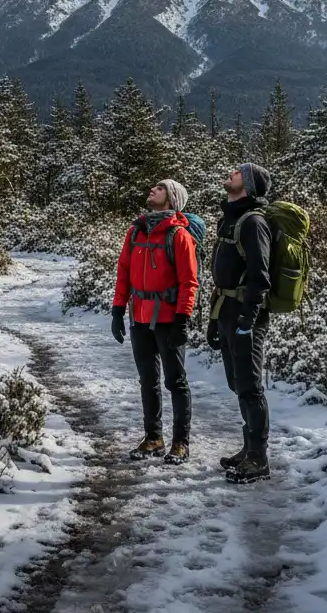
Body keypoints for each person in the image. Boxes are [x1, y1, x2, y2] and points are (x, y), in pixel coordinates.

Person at [110, 178, 198, 465]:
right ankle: (153, 439)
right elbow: (124, 271)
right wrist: (117, 310)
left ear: (171, 199)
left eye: (159, 189)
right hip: (138, 317)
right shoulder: (135, 231)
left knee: (175, 381)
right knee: (148, 381)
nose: (152, 190)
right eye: (153, 187)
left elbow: (189, 282)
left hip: (169, 319)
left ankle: (180, 443)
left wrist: (182, 319)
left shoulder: (179, 236)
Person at [207, 162, 273, 484]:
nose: (230, 172)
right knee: (237, 384)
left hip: (246, 316)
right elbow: (222, 275)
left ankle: (259, 459)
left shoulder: (253, 222)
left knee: (250, 386)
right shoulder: (230, 219)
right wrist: (214, 319)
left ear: (247, 185)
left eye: (238, 173)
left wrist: (248, 317)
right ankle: (248, 449)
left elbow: (261, 277)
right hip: (227, 313)